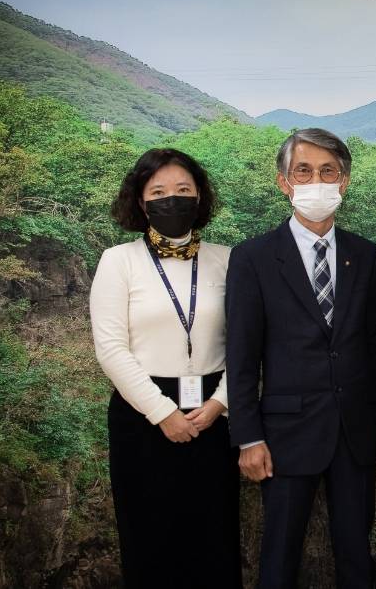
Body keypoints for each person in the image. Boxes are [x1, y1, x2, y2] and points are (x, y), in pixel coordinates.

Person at [225, 128, 376, 588]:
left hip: (356, 429)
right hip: (285, 433)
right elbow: (241, 356)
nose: (316, 181)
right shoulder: (252, 257)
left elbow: (375, 345)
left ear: (344, 181)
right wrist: (247, 438)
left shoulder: (365, 254)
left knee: (356, 552)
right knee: (279, 556)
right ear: (284, 181)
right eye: (303, 171)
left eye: (328, 171)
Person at [90, 148, 241, 587]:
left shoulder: (228, 259)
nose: (171, 199)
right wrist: (162, 412)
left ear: (200, 196)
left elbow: (248, 344)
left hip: (214, 412)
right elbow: (111, 349)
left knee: (214, 539)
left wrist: (221, 402)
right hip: (143, 415)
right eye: (158, 192)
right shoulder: (118, 261)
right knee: (150, 540)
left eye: (182, 189)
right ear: (140, 201)